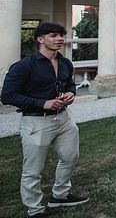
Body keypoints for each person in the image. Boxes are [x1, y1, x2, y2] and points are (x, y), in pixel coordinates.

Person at [1, 22, 88, 218]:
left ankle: (60, 195)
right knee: (33, 170)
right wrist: (43, 103)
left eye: (61, 35)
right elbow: (7, 96)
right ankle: (35, 209)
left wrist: (70, 94)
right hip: (35, 122)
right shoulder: (23, 66)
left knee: (70, 158)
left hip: (64, 119)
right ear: (40, 39)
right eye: (53, 35)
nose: (59, 39)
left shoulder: (65, 62)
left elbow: (70, 84)